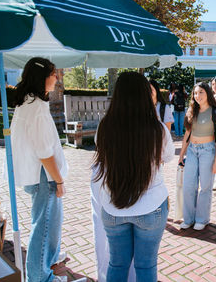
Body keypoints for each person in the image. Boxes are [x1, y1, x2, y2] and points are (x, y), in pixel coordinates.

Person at [92, 72, 174, 281]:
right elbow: (167, 157)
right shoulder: (158, 130)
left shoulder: (104, 127)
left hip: (113, 205)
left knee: (117, 264)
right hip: (151, 206)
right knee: (146, 267)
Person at [10, 57, 67, 282]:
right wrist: (59, 181)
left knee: (52, 221)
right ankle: (39, 277)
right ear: (43, 77)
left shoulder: (31, 102)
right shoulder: (36, 108)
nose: (57, 78)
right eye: (54, 74)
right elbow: (44, 153)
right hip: (43, 175)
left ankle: (48, 259)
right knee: (42, 227)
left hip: (41, 174)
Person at [178, 82, 216, 230]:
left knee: (205, 187)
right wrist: (181, 154)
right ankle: (189, 218)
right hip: (192, 150)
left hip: (208, 151)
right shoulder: (192, 111)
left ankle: (202, 219)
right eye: (195, 93)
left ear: (208, 93)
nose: (197, 96)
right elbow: (187, 134)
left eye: (201, 92)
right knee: (189, 185)